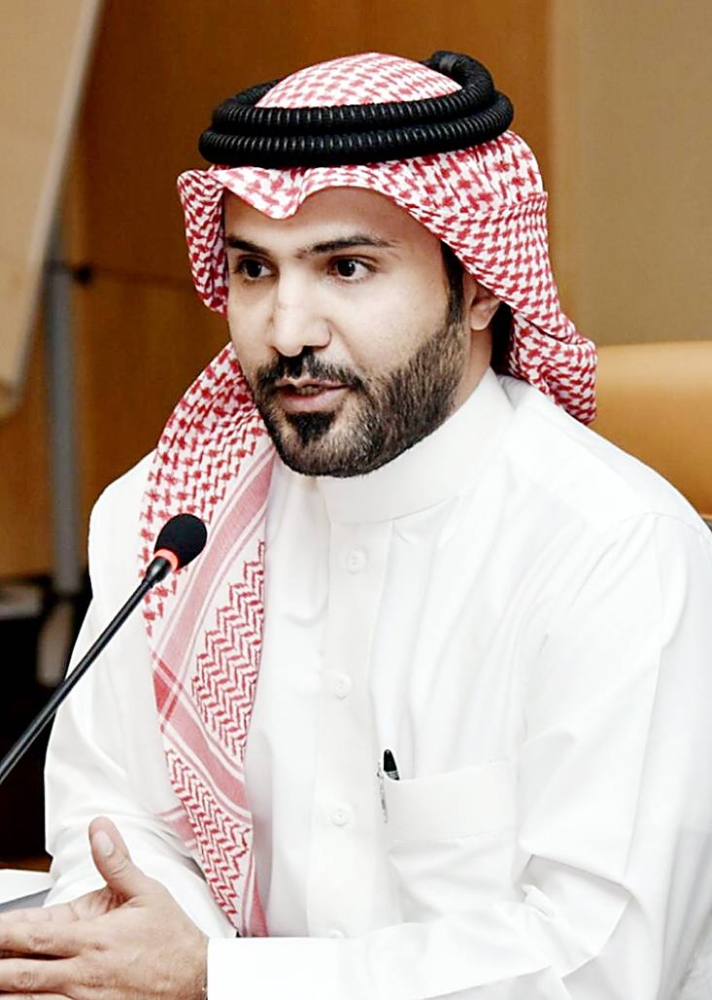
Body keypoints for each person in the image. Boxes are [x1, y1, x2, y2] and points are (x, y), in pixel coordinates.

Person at [1, 49, 712, 1000]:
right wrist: (171, 968)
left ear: (480, 286)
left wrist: (221, 980)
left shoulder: (614, 552)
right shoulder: (171, 520)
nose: (287, 329)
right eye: (254, 269)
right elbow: (118, 828)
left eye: (347, 266)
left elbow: (601, 966)